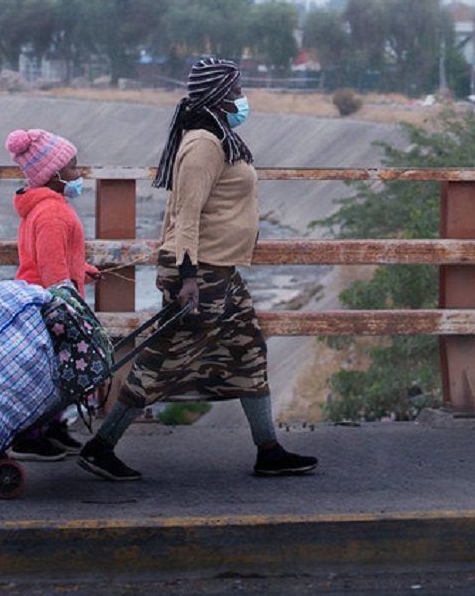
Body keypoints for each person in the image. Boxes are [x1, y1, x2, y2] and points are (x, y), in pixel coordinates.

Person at [78, 57, 319, 481]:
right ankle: (100, 447)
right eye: (235, 87)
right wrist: (187, 277)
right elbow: (187, 215)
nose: (240, 96)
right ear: (218, 92)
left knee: (247, 352)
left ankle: (269, 450)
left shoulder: (218, 136)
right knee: (162, 360)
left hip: (219, 269)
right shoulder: (204, 143)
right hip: (198, 272)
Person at [5, 128, 101, 461]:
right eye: (73, 167)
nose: (78, 174)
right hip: (49, 303)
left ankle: (52, 426)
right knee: (50, 373)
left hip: (36, 296)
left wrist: (82, 269)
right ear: (54, 174)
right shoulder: (54, 213)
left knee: (54, 369)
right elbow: (51, 267)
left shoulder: (40, 206)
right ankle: (30, 436)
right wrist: (69, 303)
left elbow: (51, 255)